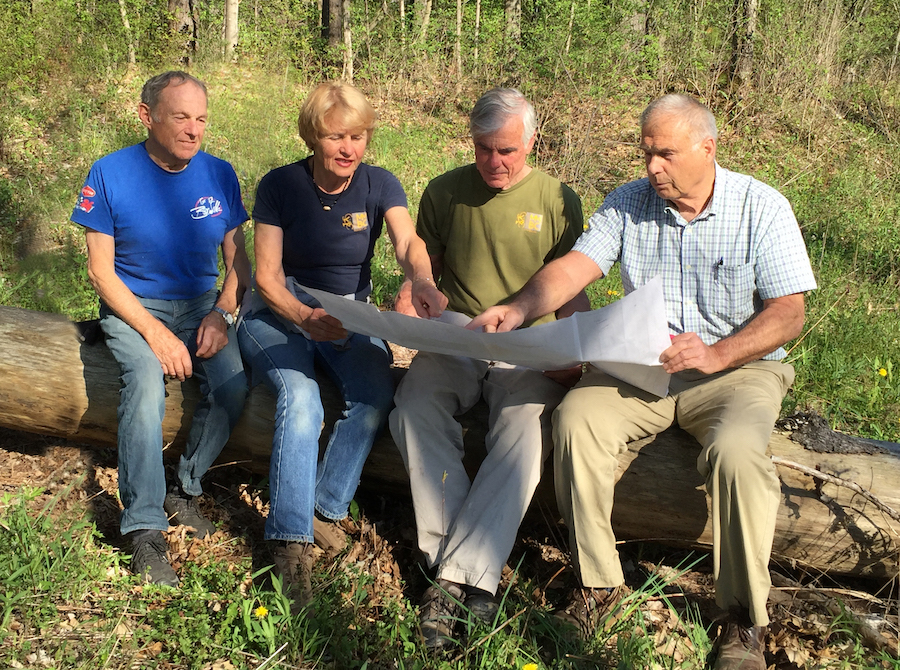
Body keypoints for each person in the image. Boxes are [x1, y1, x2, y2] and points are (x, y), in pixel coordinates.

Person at [470, 94, 817, 669]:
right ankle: (600, 587)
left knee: (736, 453)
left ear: (708, 148)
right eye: (646, 153)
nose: (653, 167)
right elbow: (574, 268)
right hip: (645, 366)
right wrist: (519, 305)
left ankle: (741, 623)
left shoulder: (762, 207)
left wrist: (717, 352)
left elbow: (789, 313)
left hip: (738, 370)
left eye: (666, 155)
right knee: (577, 419)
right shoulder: (630, 202)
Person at [389, 88, 587, 649]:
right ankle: (464, 569)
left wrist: (574, 349)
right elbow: (425, 267)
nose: (494, 163)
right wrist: (412, 296)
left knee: (523, 434)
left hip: (525, 344)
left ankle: (452, 579)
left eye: (507, 151)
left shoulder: (558, 199)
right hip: (456, 335)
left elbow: (571, 286)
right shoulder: (446, 192)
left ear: (531, 141)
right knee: (413, 409)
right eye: (483, 150)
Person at [237, 82, 447, 609]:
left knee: (376, 397)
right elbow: (264, 277)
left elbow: (407, 241)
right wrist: (304, 316)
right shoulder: (280, 186)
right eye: (336, 137)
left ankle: (323, 509)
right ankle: (287, 544)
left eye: (358, 136)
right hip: (281, 312)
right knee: (302, 398)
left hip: (349, 312)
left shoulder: (378, 184)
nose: (348, 148)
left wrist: (420, 280)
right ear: (313, 136)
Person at [71, 71, 251, 587]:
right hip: (134, 305)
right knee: (147, 386)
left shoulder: (218, 173)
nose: (194, 130)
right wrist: (154, 333)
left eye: (201, 119)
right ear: (146, 116)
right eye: (181, 117)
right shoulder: (109, 173)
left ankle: (186, 486)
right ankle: (144, 527)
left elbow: (239, 260)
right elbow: (100, 272)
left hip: (201, 305)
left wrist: (223, 313)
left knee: (233, 385)